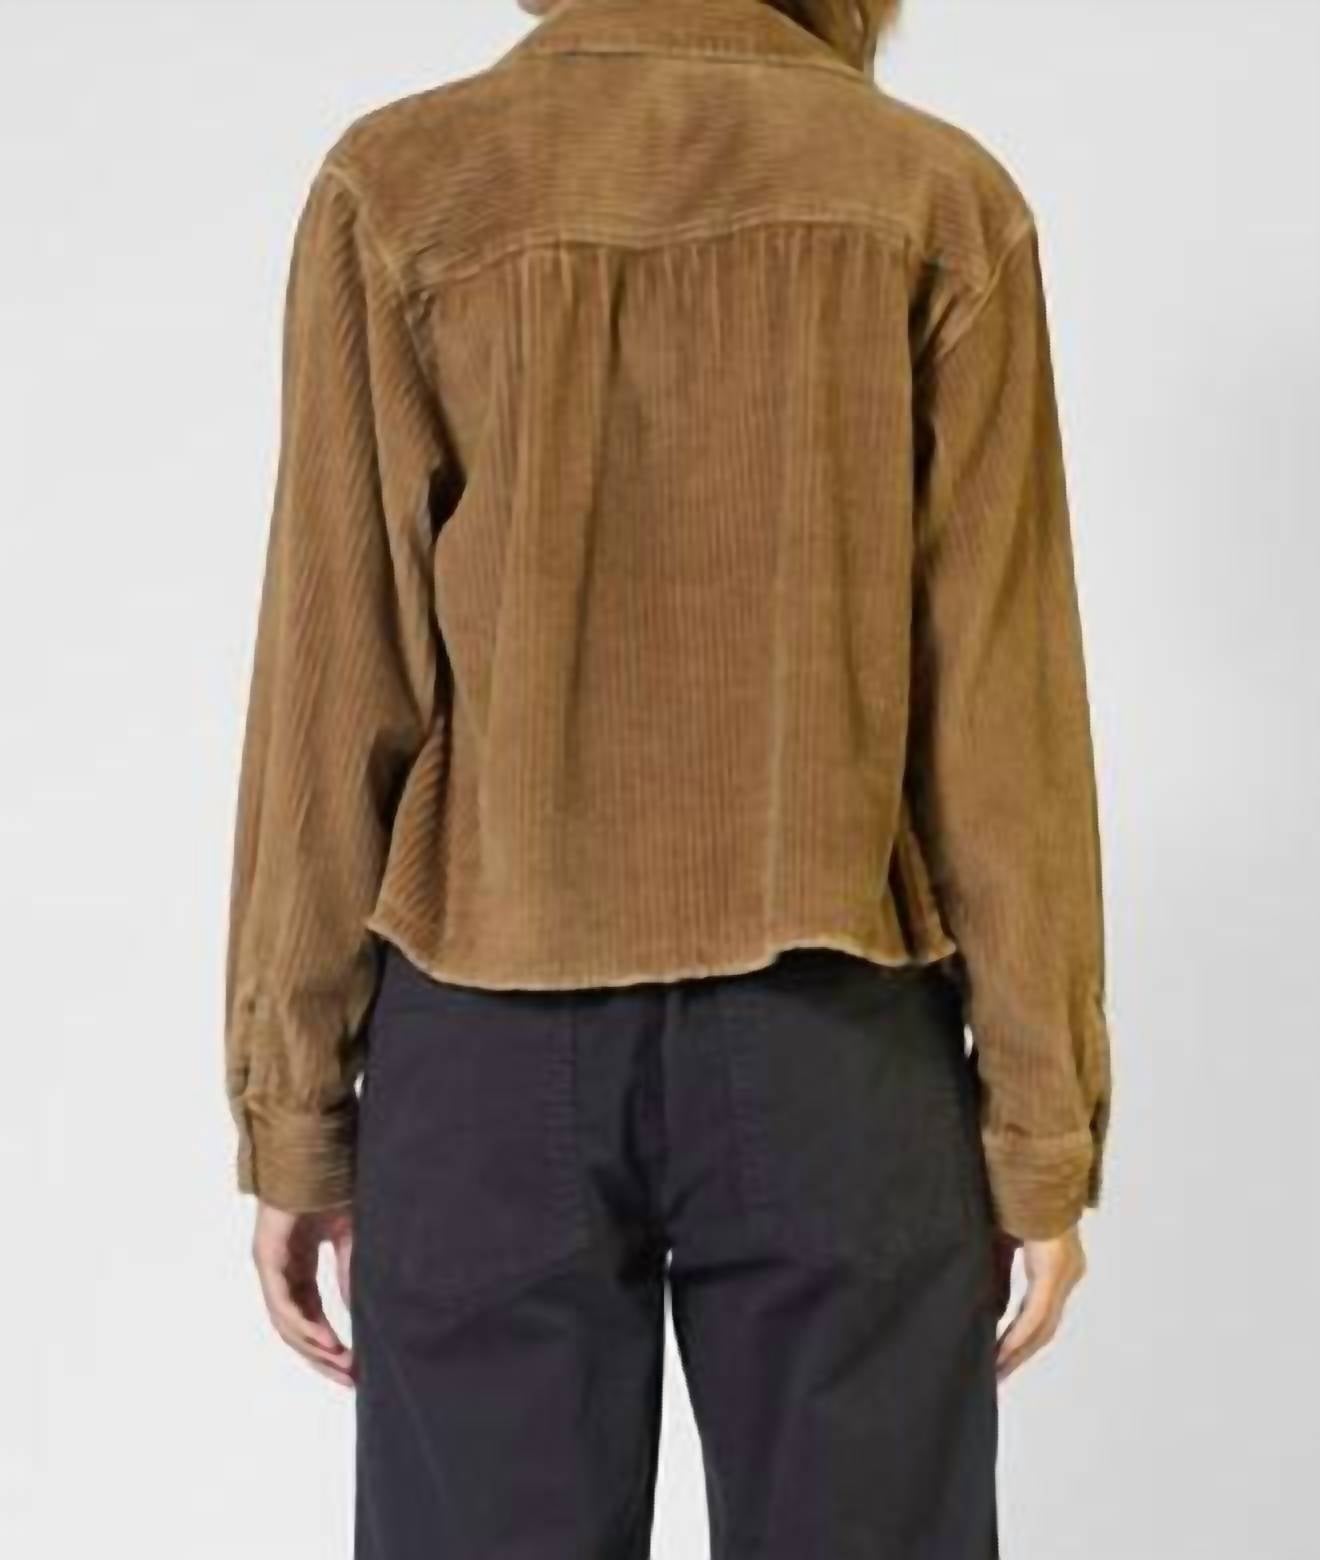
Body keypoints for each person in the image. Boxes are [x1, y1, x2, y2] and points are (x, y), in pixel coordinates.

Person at [223, 0, 1113, 1553]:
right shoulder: (936, 202)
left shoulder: (405, 187)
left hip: (485, 1052)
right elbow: (1002, 714)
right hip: (838, 1049)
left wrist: (293, 1110)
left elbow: (336, 681)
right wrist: (1041, 1134)